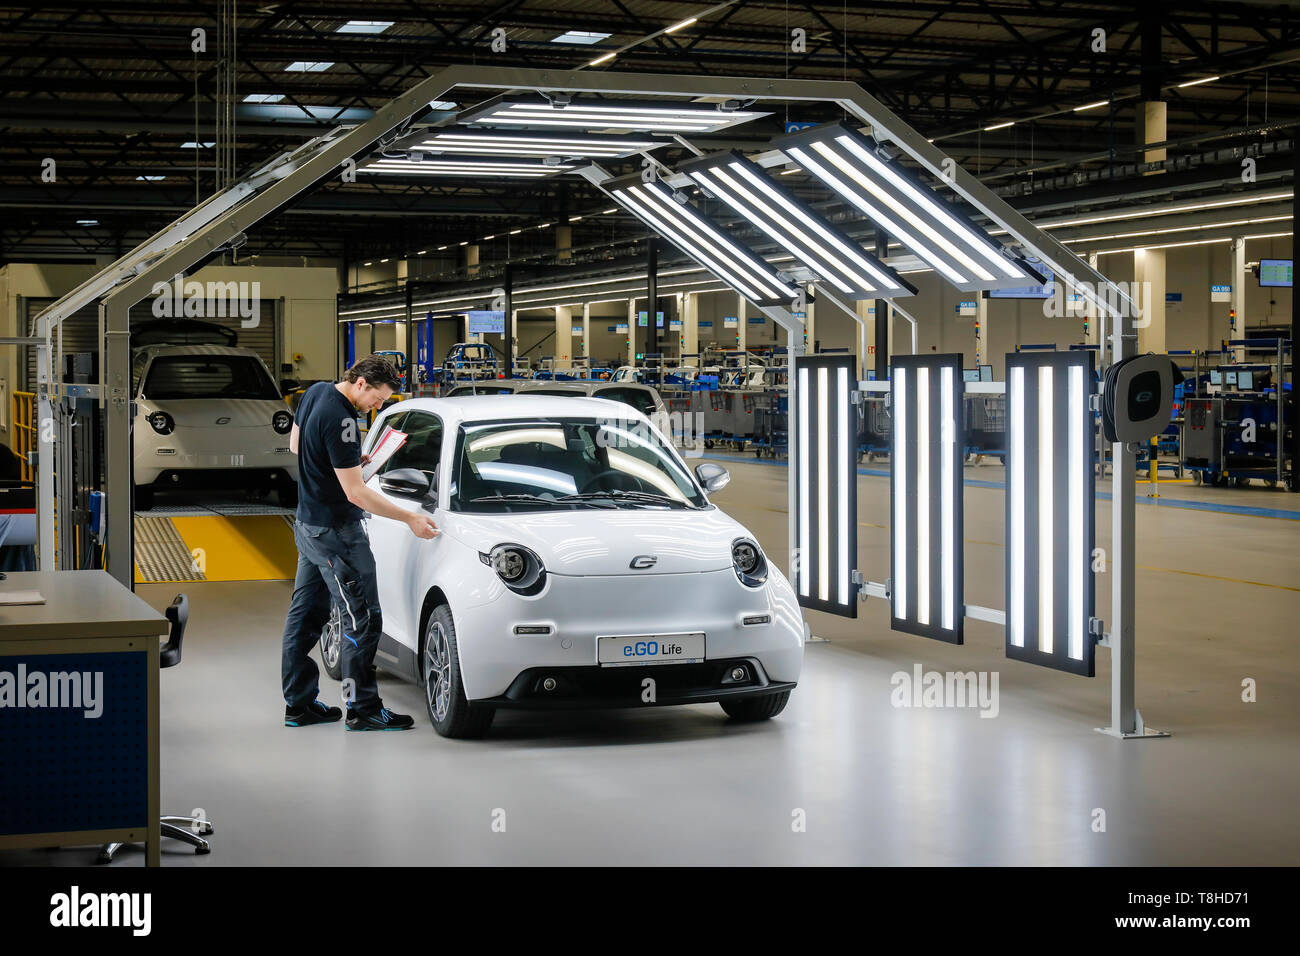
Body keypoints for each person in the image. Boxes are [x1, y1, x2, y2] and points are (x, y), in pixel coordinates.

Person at [280, 354, 438, 731]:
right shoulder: (345, 419)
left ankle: (298, 704)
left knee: (305, 617)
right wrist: (411, 517)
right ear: (362, 384)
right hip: (338, 533)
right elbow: (357, 494)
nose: (377, 406)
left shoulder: (315, 392)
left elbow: (296, 447)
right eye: (379, 399)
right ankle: (362, 707)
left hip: (307, 526)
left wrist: (347, 458)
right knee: (362, 618)